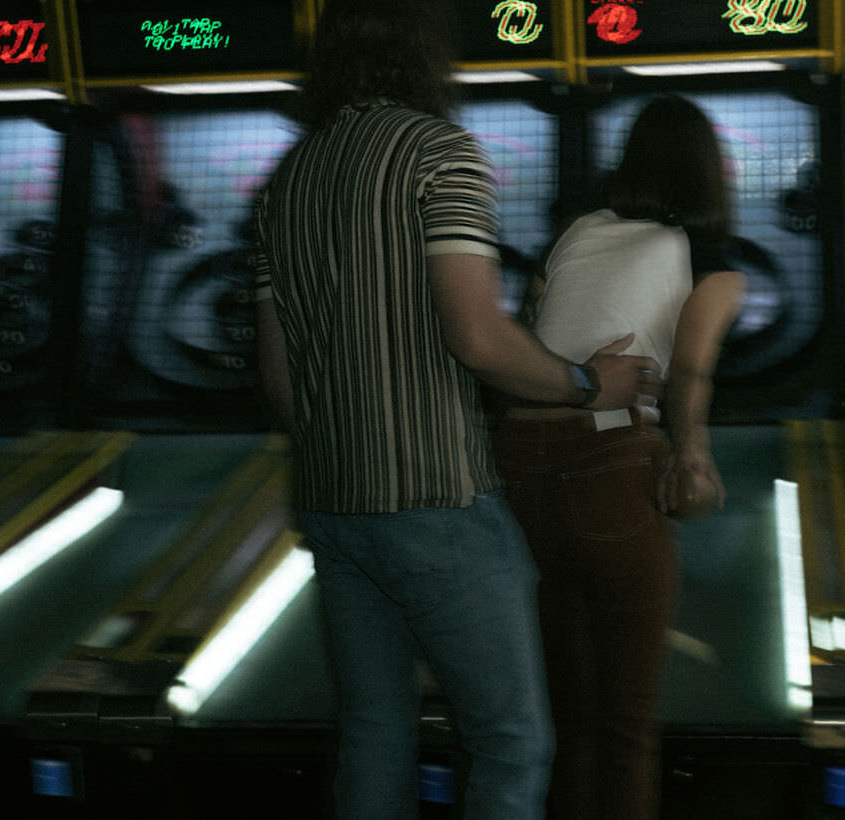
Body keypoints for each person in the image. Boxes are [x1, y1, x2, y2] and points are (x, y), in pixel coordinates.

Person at [251, 2, 662, 818]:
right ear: (427, 54)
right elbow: (476, 336)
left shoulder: (285, 179)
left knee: (374, 730)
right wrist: (592, 386)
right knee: (511, 742)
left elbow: (277, 373)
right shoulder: (438, 154)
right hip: (436, 495)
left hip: (333, 500)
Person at [493, 95, 746, 820]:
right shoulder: (711, 262)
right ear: (710, 173)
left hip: (516, 466)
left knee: (566, 722)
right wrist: (691, 453)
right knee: (628, 727)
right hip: (608, 462)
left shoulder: (574, 233)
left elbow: (533, 334)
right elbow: (691, 372)